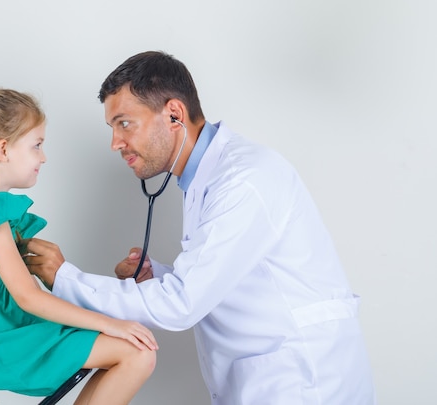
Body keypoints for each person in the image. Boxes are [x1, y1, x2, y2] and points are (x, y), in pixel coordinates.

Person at [24, 52, 377, 404]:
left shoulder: (244, 180)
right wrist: (156, 276)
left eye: (124, 123)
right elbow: (225, 279)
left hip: (304, 381)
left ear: (174, 114)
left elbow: (183, 303)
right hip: (271, 377)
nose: (115, 142)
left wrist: (65, 279)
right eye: (112, 128)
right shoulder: (203, 179)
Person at [0, 88, 157, 405]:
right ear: (3, 149)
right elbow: (28, 297)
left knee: (134, 350)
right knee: (137, 353)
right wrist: (111, 323)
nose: (43, 156)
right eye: (37, 145)